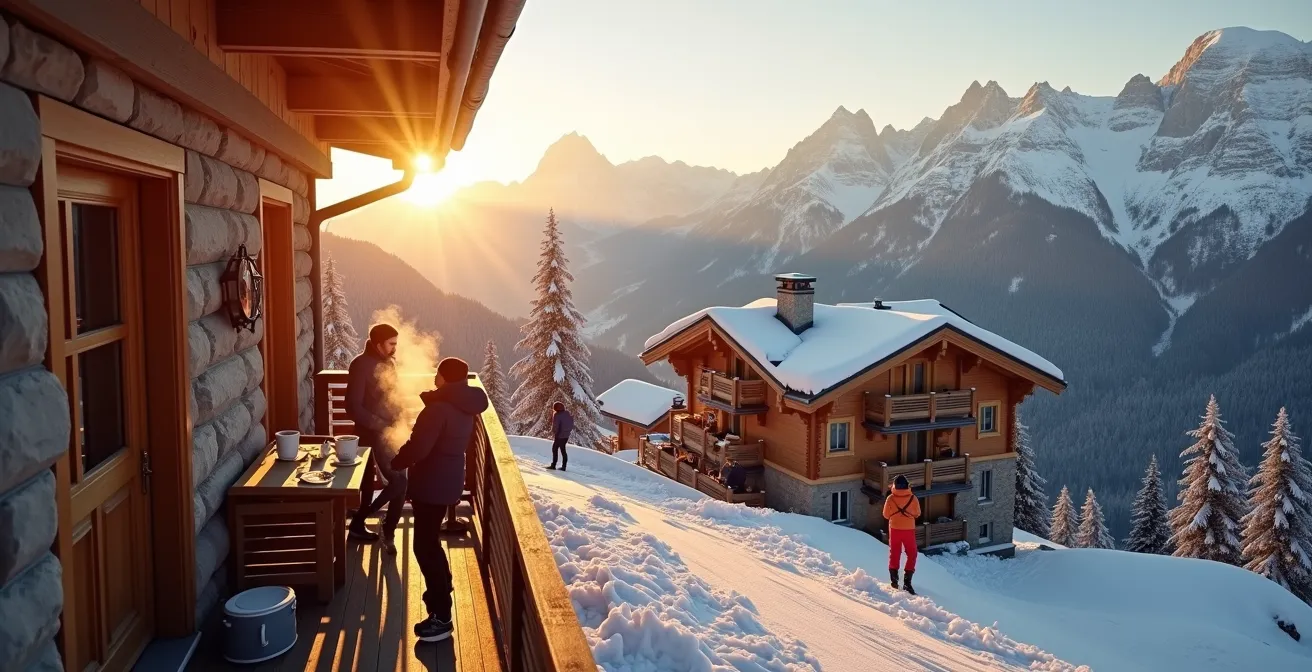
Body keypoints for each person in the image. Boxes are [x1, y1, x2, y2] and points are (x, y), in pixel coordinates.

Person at [390, 357, 489, 643]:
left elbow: (420, 447)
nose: (435, 376)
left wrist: (398, 461)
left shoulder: (438, 409)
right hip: (448, 479)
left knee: (424, 545)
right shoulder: (464, 404)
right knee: (430, 540)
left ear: (444, 377)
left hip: (431, 484)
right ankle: (443, 584)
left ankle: (441, 616)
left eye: (438, 372)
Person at [344, 324, 407, 552]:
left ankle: (386, 531)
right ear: (378, 344)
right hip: (370, 433)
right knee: (396, 481)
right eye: (391, 344)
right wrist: (381, 425)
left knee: (400, 479)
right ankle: (363, 522)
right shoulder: (360, 365)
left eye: (396, 344)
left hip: (391, 432)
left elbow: (393, 396)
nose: (394, 349)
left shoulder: (388, 362)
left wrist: (402, 420)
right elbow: (352, 406)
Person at [882, 474, 921, 594]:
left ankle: (894, 580)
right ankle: (907, 583)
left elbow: (885, 515)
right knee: (912, 554)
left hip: (894, 529)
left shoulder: (890, 498)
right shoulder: (913, 498)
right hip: (908, 529)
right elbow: (917, 513)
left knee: (895, 552)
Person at [547, 401, 573, 471]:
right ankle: (564, 466)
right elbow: (571, 424)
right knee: (563, 450)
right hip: (566, 436)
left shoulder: (557, 415)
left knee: (554, 449)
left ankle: (553, 465)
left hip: (559, 436)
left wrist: (554, 433)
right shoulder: (567, 413)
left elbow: (555, 426)